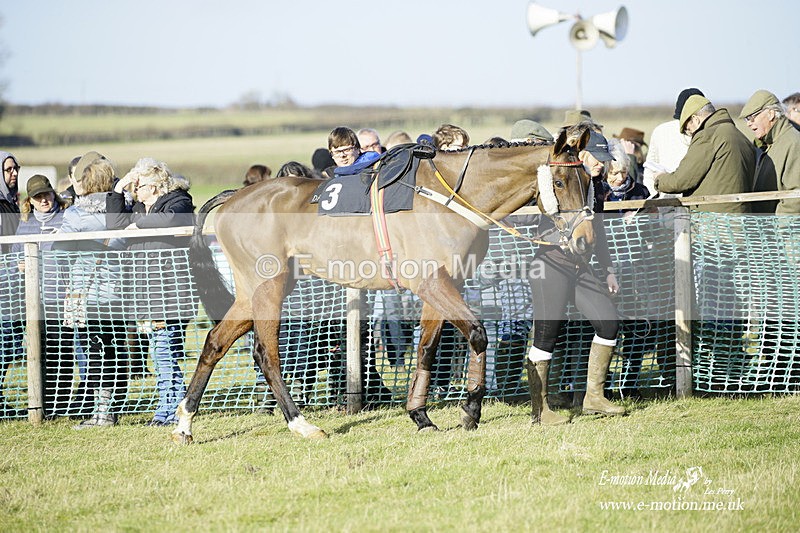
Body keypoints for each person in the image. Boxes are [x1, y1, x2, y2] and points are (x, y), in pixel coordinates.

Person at [526, 127, 625, 426]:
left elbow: (600, 233)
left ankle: (593, 397)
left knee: (608, 321)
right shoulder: (554, 179)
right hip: (550, 265)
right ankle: (540, 411)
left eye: (604, 159)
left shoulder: (591, 186)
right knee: (546, 336)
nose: (601, 164)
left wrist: (608, 269)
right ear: (581, 154)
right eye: (597, 158)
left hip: (580, 266)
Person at [106, 157, 197, 426]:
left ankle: (171, 410)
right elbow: (114, 224)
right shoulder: (138, 207)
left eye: (139, 185)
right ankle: (169, 408)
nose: (136, 190)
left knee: (165, 353)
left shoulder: (178, 200)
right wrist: (118, 188)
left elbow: (171, 219)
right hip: (146, 293)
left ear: (156, 187)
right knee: (159, 355)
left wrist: (138, 225)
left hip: (170, 293)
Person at [58, 152, 127, 429]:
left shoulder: (76, 214)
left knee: (95, 352)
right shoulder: (122, 211)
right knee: (116, 351)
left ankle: (101, 414)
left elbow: (59, 252)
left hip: (88, 295)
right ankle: (111, 410)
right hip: (120, 293)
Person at [12, 175, 73, 416]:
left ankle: (61, 403)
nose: (44, 200)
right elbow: (16, 256)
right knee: (40, 352)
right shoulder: (25, 224)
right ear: (31, 201)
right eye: (38, 197)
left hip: (63, 296)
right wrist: (21, 265)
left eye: (46, 194)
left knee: (63, 352)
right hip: (35, 300)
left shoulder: (67, 217)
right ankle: (43, 404)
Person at [654, 95, 754, 212]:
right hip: (742, 217)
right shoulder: (741, 136)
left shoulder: (706, 135)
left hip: (715, 222)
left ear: (695, 119)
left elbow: (681, 180)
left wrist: (659, 179)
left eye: (688, 129)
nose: (690, 135)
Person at [740, 89, 800, 215]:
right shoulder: (767, 144)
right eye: (747, 120)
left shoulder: (793, 143)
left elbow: (795, 197)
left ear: (771, 114)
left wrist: (780, 230)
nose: (749, 124)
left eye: (752, 117)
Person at [643, 88, 704, 194]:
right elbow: (650, 169)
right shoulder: (661, 132)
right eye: (683, 120)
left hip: (699, 205)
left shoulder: (712, 136)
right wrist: (654, 201)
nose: (686, 125)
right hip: (666, 205)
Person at [0, 151, 21, 416]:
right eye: (7, 170)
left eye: (15, 168)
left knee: (7, 343)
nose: (13, 173)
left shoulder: (10, 202)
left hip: (8, 281)